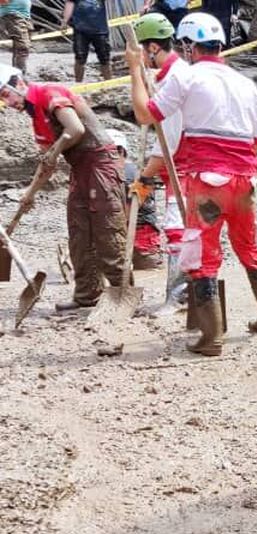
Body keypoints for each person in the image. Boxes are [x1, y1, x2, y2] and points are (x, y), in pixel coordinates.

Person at [126, 12, 257, 356]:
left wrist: (135, 70)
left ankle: (211, 337)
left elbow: (143, 114)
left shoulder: (188, 78)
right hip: (246, 180)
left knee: (202, 254)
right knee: (249, 247)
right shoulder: (246, 83)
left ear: (188, 46)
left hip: (208, 180)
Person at [0, 65, 126, 311]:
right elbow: (47, 163)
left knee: (106, 230)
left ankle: (122, 293)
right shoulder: (36, 117)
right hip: (80, 169)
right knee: (79, 233)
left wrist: (55, 151)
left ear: (18, 83)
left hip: (100, 164)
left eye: (5, 95)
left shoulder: (49, 93)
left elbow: (75, 130)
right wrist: (30, 194)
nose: (7, 102)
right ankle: (87, 295)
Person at [129, 12, 188, 313]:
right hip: (178, 165)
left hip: (188, 165)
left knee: (179, 228)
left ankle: (180, 297)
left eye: (141, 49)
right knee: (182, 228)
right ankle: (184, 296)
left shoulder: (176, 79)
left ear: (152, 47)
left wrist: (144, 177)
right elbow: (159, 132)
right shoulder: (165, 77)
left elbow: (171, 140)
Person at [109, 129, 163, 270]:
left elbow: (128, 210)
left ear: (120, 152)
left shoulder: (127, 174)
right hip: (143, 240)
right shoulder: (134, 172)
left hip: (136, 236)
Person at [61, 0, 112, 82]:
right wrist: (65, 20)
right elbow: (70, 4)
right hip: (80, 30)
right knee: (80, 58)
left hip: (100, 30)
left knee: (105, 58)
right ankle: (78, 83)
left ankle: (109, 82)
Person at [0, 0, 32, 72]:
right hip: (13, 16)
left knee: (20, 49)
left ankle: (16, 76)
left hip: (24, 16)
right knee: (23, 48)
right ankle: (18, 78)